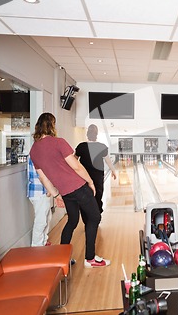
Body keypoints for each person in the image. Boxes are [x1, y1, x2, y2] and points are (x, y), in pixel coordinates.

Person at [30, 112, 110, 268]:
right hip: (78, 187)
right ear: (52, 125)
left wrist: (56, 194)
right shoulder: (58, 142)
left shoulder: (34, 150)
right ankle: (90, 258)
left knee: (72, 220)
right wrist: (91, 181)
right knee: (94, 217)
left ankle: (62, 258)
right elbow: (76, 166)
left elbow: (43, 178)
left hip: (65, 192)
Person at [75, 124, 117, 214]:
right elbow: (108, 161)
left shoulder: (81, 146)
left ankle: (87, 219)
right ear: (96, 134)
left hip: (84, 177)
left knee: (84, 198)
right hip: (97, 177)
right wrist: (113, 170)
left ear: (87, 134)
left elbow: (74, 161)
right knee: (97, 196)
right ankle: (96, 216)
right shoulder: (102, 146)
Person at [27, 155, 52, 246]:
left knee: (47, 218)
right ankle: (37, 246)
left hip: (42, 192)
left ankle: (43, 241)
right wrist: (49, 190)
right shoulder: (37, 155)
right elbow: (41, 176)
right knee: (41, 221)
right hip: (39, 192)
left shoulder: (40, 153)